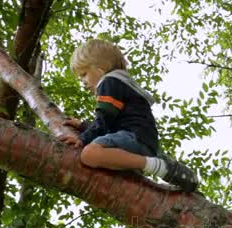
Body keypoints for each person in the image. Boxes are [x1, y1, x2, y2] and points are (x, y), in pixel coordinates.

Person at [58, 39, 198, 192]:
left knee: (89, 154)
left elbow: (104, 121)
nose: (83, 82)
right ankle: (164, 166)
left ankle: (155, 165)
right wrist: (83, 125)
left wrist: (82, 139)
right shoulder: (121, 83)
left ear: (100, 68)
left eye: (84, 74)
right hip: (143, 139)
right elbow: (110, 123)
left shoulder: (108, 82)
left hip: (133, 137)